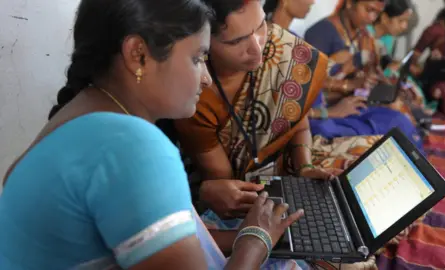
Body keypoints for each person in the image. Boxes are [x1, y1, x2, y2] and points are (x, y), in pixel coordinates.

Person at [0, 0, 304, 269]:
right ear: (138, 55)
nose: (207, 79)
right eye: (197, 59)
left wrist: (244, 235)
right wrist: (255, 241)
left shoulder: (78, 115)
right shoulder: (133, 146)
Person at [174, 1, 378, 269]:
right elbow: (229, 186)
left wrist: (304, 167)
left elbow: (298, 122)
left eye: (261, 26)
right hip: (248, 196)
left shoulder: (283, 51)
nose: (258, 48)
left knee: (364, 189)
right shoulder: (197, 96)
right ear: (204, 42)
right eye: (237, 41)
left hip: (289, 174)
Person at [304, 0, 423, 149]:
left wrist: (377, 83)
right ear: (349, 3)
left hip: (354, 104)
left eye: (377, 13)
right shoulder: (321, 33)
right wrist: (347, 85)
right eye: (368, 10)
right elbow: (306, 82)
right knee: (389, 129)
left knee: (400, 121)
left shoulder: (364, 34)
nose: (372, 18)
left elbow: (369, 69)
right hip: (327, 111)